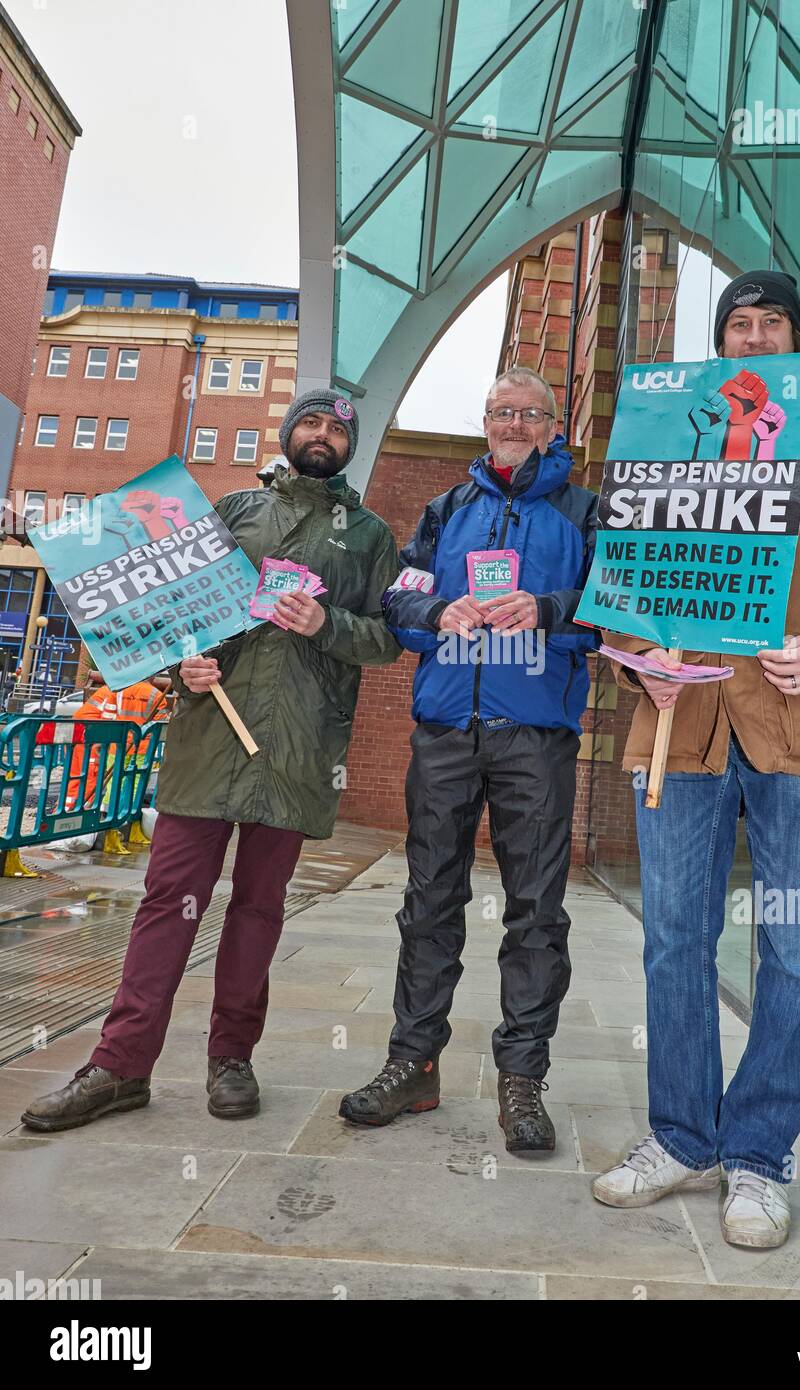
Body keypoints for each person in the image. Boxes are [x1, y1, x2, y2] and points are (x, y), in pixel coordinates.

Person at [593, 271, 800, 1246]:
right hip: (682, 726)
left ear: (793, 340)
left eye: (767, 323)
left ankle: (759, 1157)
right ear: (720, 342)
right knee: (671, 941)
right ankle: (681, 1136)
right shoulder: (676, 437)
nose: (749, 337)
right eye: (734, 325)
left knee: (790, 948)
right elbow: (630, 576)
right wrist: (636, 661)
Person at [22, 388, 401, 1131]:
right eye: (312, 422)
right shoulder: (231, 513)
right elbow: (171, 615)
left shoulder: (368, 536)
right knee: (168, 905)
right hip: (208, 739)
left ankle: (232, 1058)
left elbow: (388, 638)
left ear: (349, 445)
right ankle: (119, 1065)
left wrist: (328, 622)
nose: (323, 435)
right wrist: (180, 664)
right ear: (291, 432)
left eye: (337, 428)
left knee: (258, 910)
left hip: (296, 750)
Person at [339, 367, 598, 1154]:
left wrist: (549, 611)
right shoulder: (446, 510)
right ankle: (412, 1062)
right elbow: (398, 603)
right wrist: (437, 609)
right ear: (485, 424)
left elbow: (621, 611)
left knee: (535, 914)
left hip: (536, 734)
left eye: (530, 413)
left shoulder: (587, 512)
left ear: (554, 427)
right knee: (428, 902)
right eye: (501, 412)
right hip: (447, 730)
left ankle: (522, 1081)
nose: (514, 423)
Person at [64, 674, 170, 811]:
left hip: (111, 742)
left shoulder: (118, 690)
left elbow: (108, 717)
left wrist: (104, 741)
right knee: (133, 779)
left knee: (108, 778)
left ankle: (98, 810)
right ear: (152, 676)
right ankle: (126, 810)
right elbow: (160, 726)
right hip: (139, 747)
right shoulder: (156, 694)